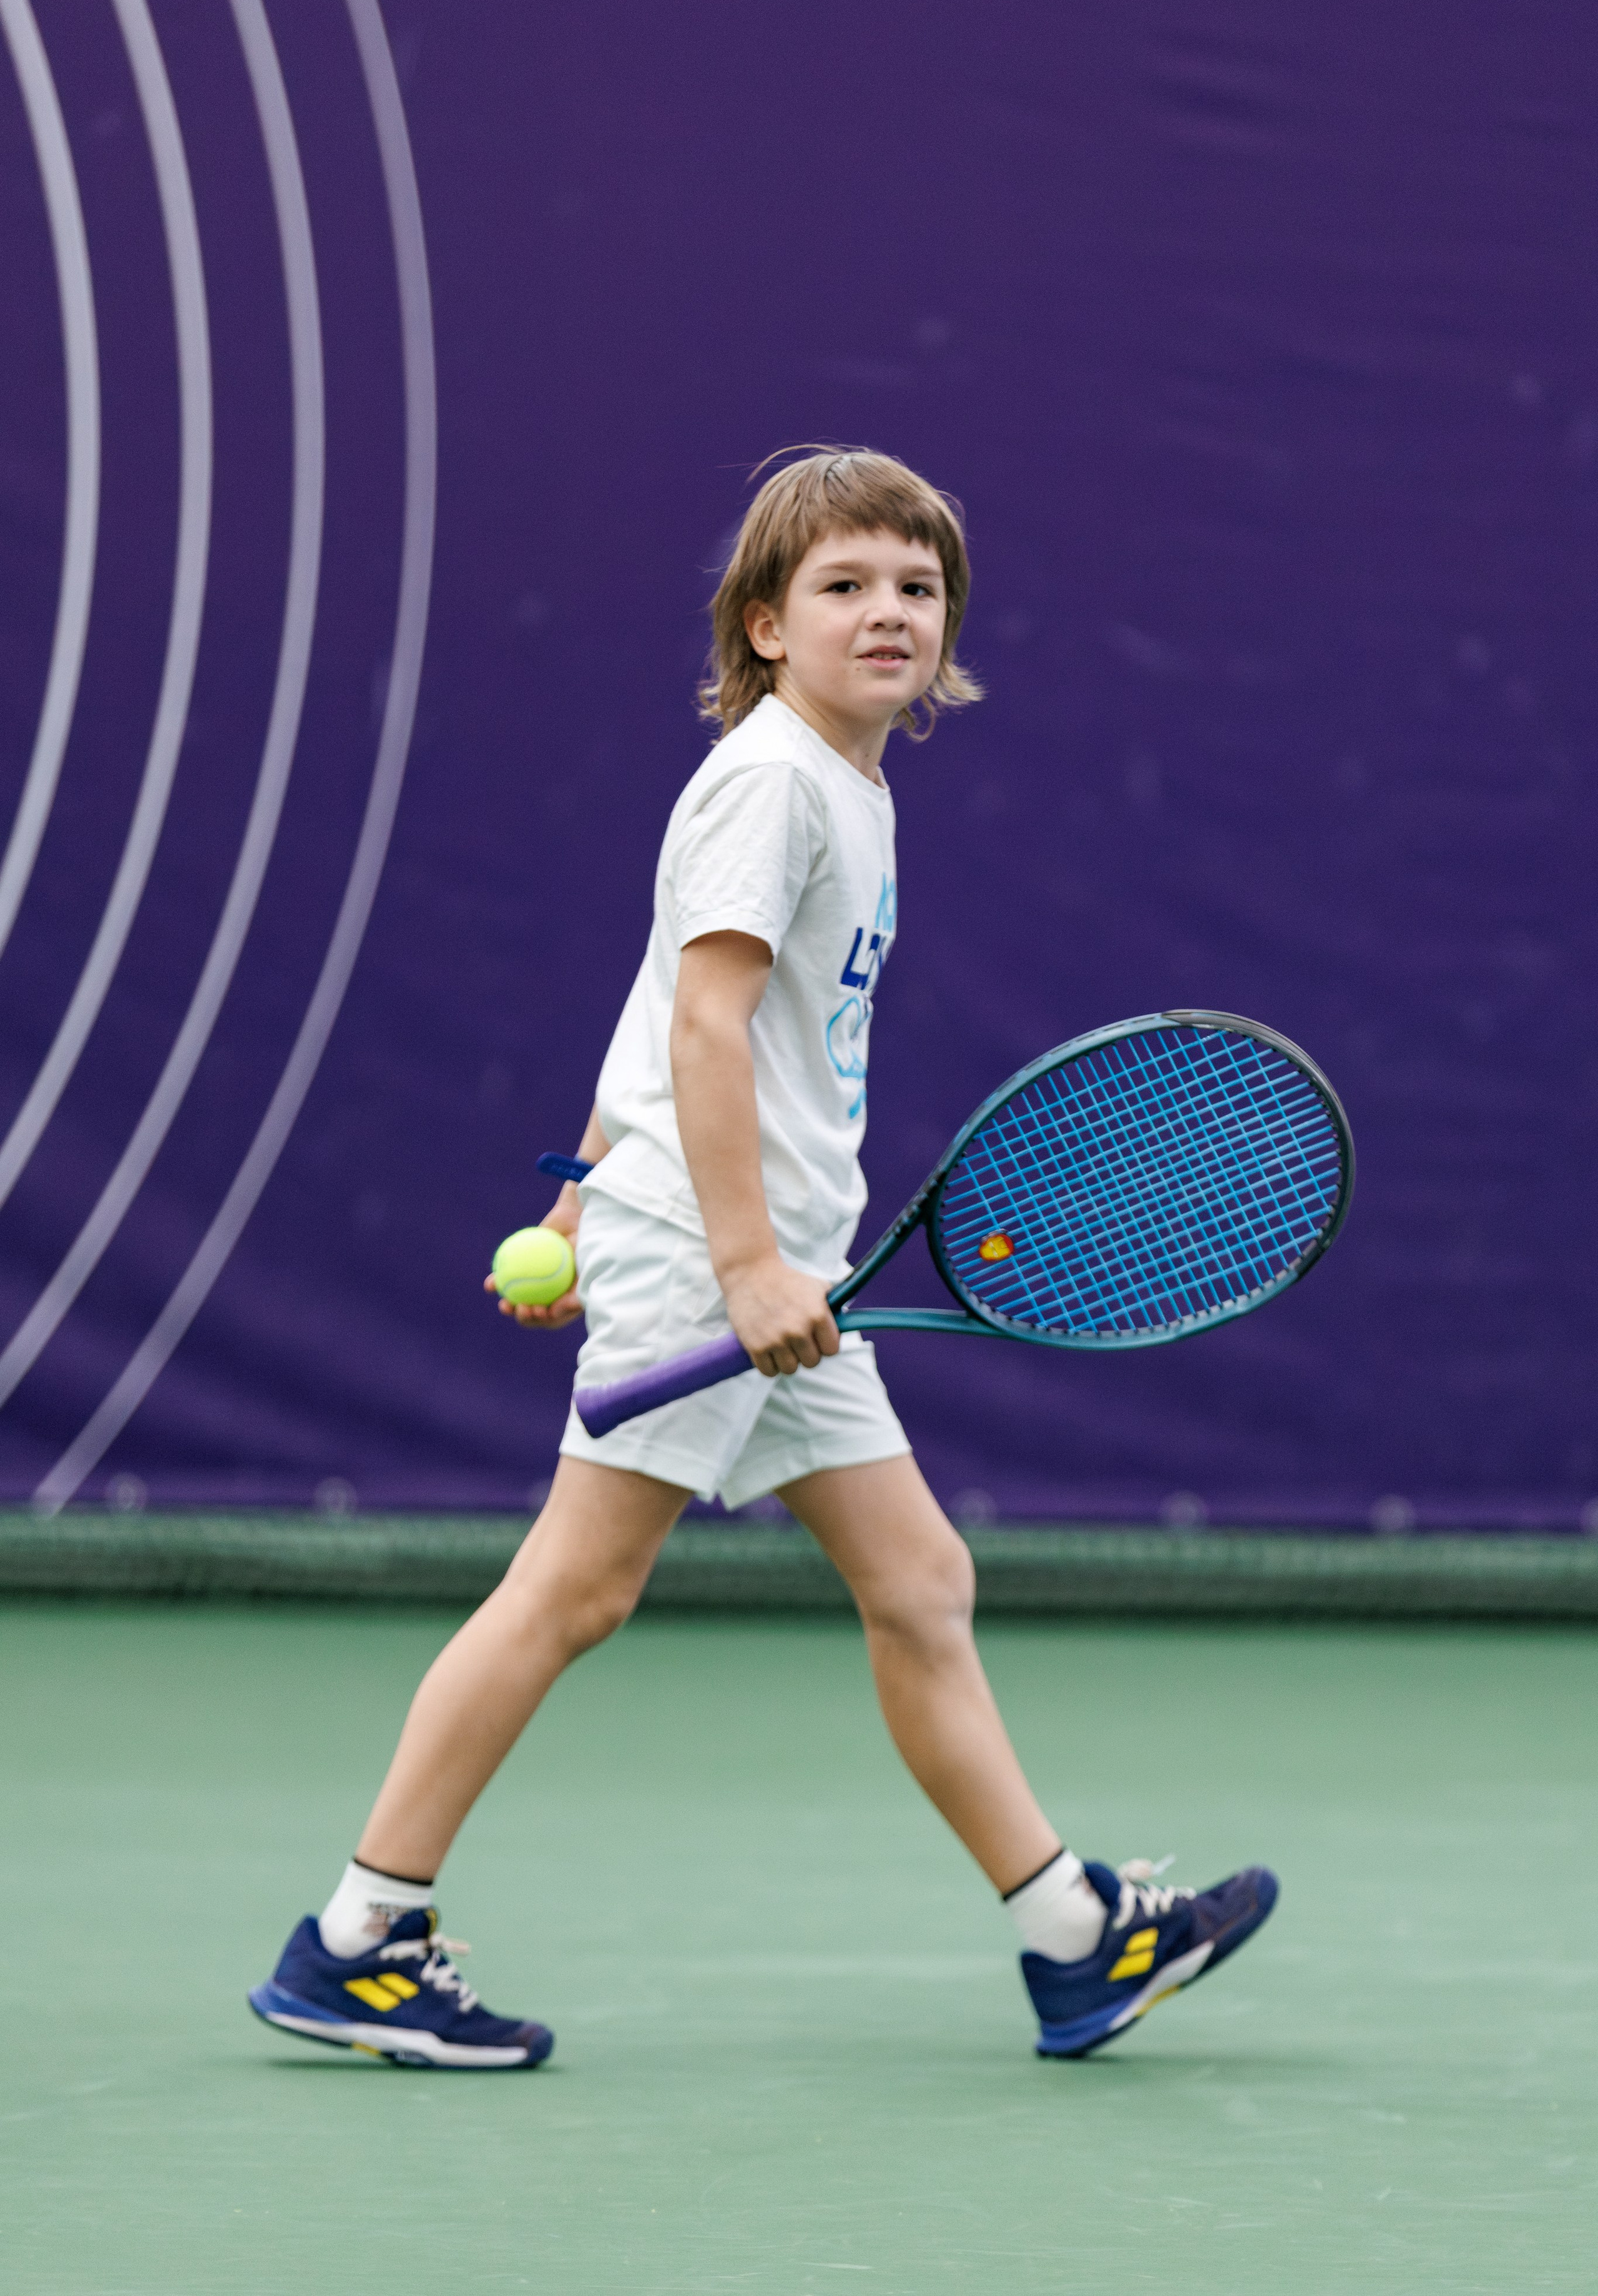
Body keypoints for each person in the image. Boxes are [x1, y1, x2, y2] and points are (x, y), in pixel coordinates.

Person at [247, 446, 1277, 2071]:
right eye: (845, 586)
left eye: (918, 589)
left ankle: (1073, 1941)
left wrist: (586, 1189)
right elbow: (709, 1022)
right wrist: (725, 1260)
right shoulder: (773, 781)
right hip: (727, 1259)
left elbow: (663, 993)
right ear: (764, 624)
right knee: (574, 1593)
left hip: (783, 1263)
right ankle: (359, 1937)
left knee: (922, 1583)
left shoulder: (847, 789)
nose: (889, 613)